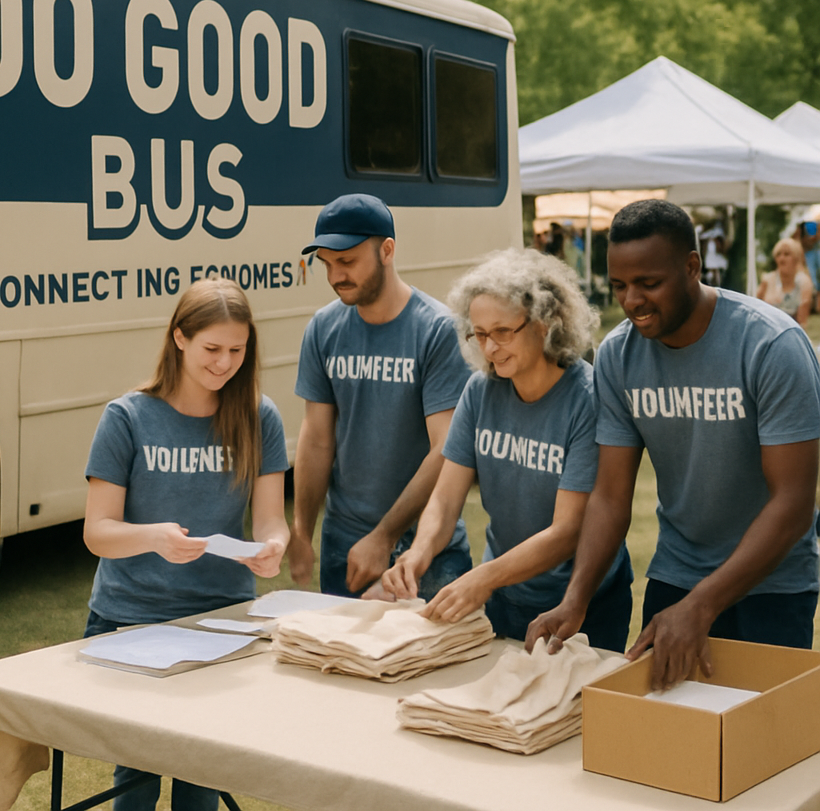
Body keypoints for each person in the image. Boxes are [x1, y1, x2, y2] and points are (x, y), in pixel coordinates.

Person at [527, 199, 820, 691]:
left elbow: (793, 503)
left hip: (772, 585)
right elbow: (610, 494)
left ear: (691, 266)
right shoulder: (618, 355)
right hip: (677, 575)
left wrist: (703, 605)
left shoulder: (771, 346)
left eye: (649, 283)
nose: (633, 300)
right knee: (666, 742)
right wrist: (575, 598)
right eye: (620, 285)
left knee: (763, 752)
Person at [82, 278, 290, 811]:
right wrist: (155, 537)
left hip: (220, 621)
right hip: (132, 618)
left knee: (200, 776)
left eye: (237, 351)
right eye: (212, 349)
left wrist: (272, 546)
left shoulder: (260, 416)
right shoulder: (126, 417)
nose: (224, 364)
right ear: (179, 338)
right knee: (138, 774)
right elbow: (97, 532)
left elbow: (271, 519)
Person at [381, 249, 632, 651]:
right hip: (506, 595)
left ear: (547, 323)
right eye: (479, 333)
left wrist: (483, 578)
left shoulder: (587, 398)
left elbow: (567, 532)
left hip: (583, 603)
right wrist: (418, 552)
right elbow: (445, 500)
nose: (490, 348)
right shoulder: (480, 391)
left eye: (503, 331)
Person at [289, 193, 473, 599]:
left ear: (387, 250)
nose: (336, 275)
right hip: (345, 545)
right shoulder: (323, 329)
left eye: (348, 261)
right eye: (327, 264)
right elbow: (317, 437)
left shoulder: (437, 330)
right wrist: (302, 530)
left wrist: (385, 535)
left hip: (424, 548)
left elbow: (447, 448)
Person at [757, 237, 813, 326]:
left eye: (787, 254)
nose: (782, 259)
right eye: (778, 254)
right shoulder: (767, 280)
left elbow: (802, 321)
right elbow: (755, 309)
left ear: (796, 258)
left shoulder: (804, 283)